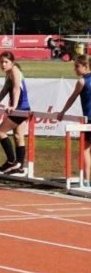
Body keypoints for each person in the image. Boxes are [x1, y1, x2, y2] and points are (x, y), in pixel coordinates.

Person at [0, 51, 30, 175]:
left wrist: (14, 106)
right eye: (1, 62)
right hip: (21, 108)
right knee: (18, 136)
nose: (3, 65)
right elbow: (5, 90)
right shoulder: (9, 73)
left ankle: (11, 161)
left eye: (6, 62)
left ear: (13, 62)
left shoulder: (15, 70)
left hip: (21, 108)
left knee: (0, 132)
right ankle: (19, 167)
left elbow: (16, 88)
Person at [57, 54, 91, 187]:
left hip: (89, 119)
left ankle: (87, 180)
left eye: (77, 66)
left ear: (86, 66)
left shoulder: (82, 81)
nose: (75, 69)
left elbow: (72, 98)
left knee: (85, 149)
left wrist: (63, 112)